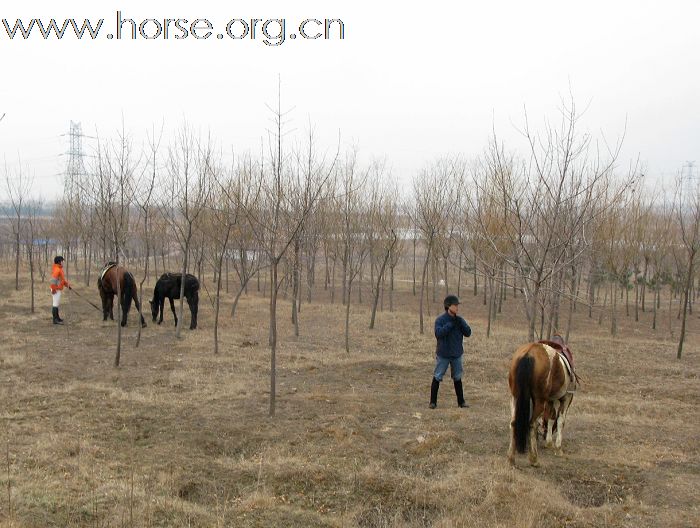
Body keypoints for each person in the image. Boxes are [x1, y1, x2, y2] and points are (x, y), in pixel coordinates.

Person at [430, 294, 472, 409]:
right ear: (448, 306)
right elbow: (438, 334)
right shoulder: (440, 320)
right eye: (455, 305)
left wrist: (463, 325)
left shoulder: (459, 320)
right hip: (443, 354)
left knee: (458, 377)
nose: (457, 307)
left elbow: (468, 333)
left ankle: (461, 402)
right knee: (437, 376)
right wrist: (449, 325)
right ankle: (433, 402)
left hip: (456, 354)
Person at [49, 255, 71, 324]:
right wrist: (53, 289)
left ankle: (57, 318)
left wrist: (67, 285)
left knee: (57, 303)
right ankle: (55, 320)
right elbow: (53, 280)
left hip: (57, 288)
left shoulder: (59, 269)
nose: (62, 262)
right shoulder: (57, 269)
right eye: (62, 261)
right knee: (55, 304)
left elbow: (62, 280)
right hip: (56, 289)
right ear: (59, 262)